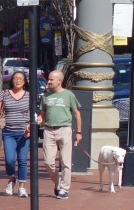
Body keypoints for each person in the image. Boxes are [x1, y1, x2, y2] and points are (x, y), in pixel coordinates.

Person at [36, 69, 81, 200]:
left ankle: (64, 189)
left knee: (66, 161)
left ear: (59, 81)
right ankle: (58, 181)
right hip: (49, 130)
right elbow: (41, 116)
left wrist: (78, 132)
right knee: (48, 162)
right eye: (49, 79)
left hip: (65, 129)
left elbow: (77, 113)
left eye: (51, 79)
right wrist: (36, 122)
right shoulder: (46, 97)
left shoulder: (68, 95)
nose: (48, 82)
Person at [0, 70, 32, 198]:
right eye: (15, 78)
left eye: (20, 78)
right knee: (10, 160)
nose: (17, 80)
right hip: (9, 132)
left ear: (24, 82)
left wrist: (30, 127)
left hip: (24, 133)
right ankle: (12, 178)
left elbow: (34, 113)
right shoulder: (4, 94)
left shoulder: (29, 95)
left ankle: (22, 187)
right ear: (11, 81)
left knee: (22, 160)